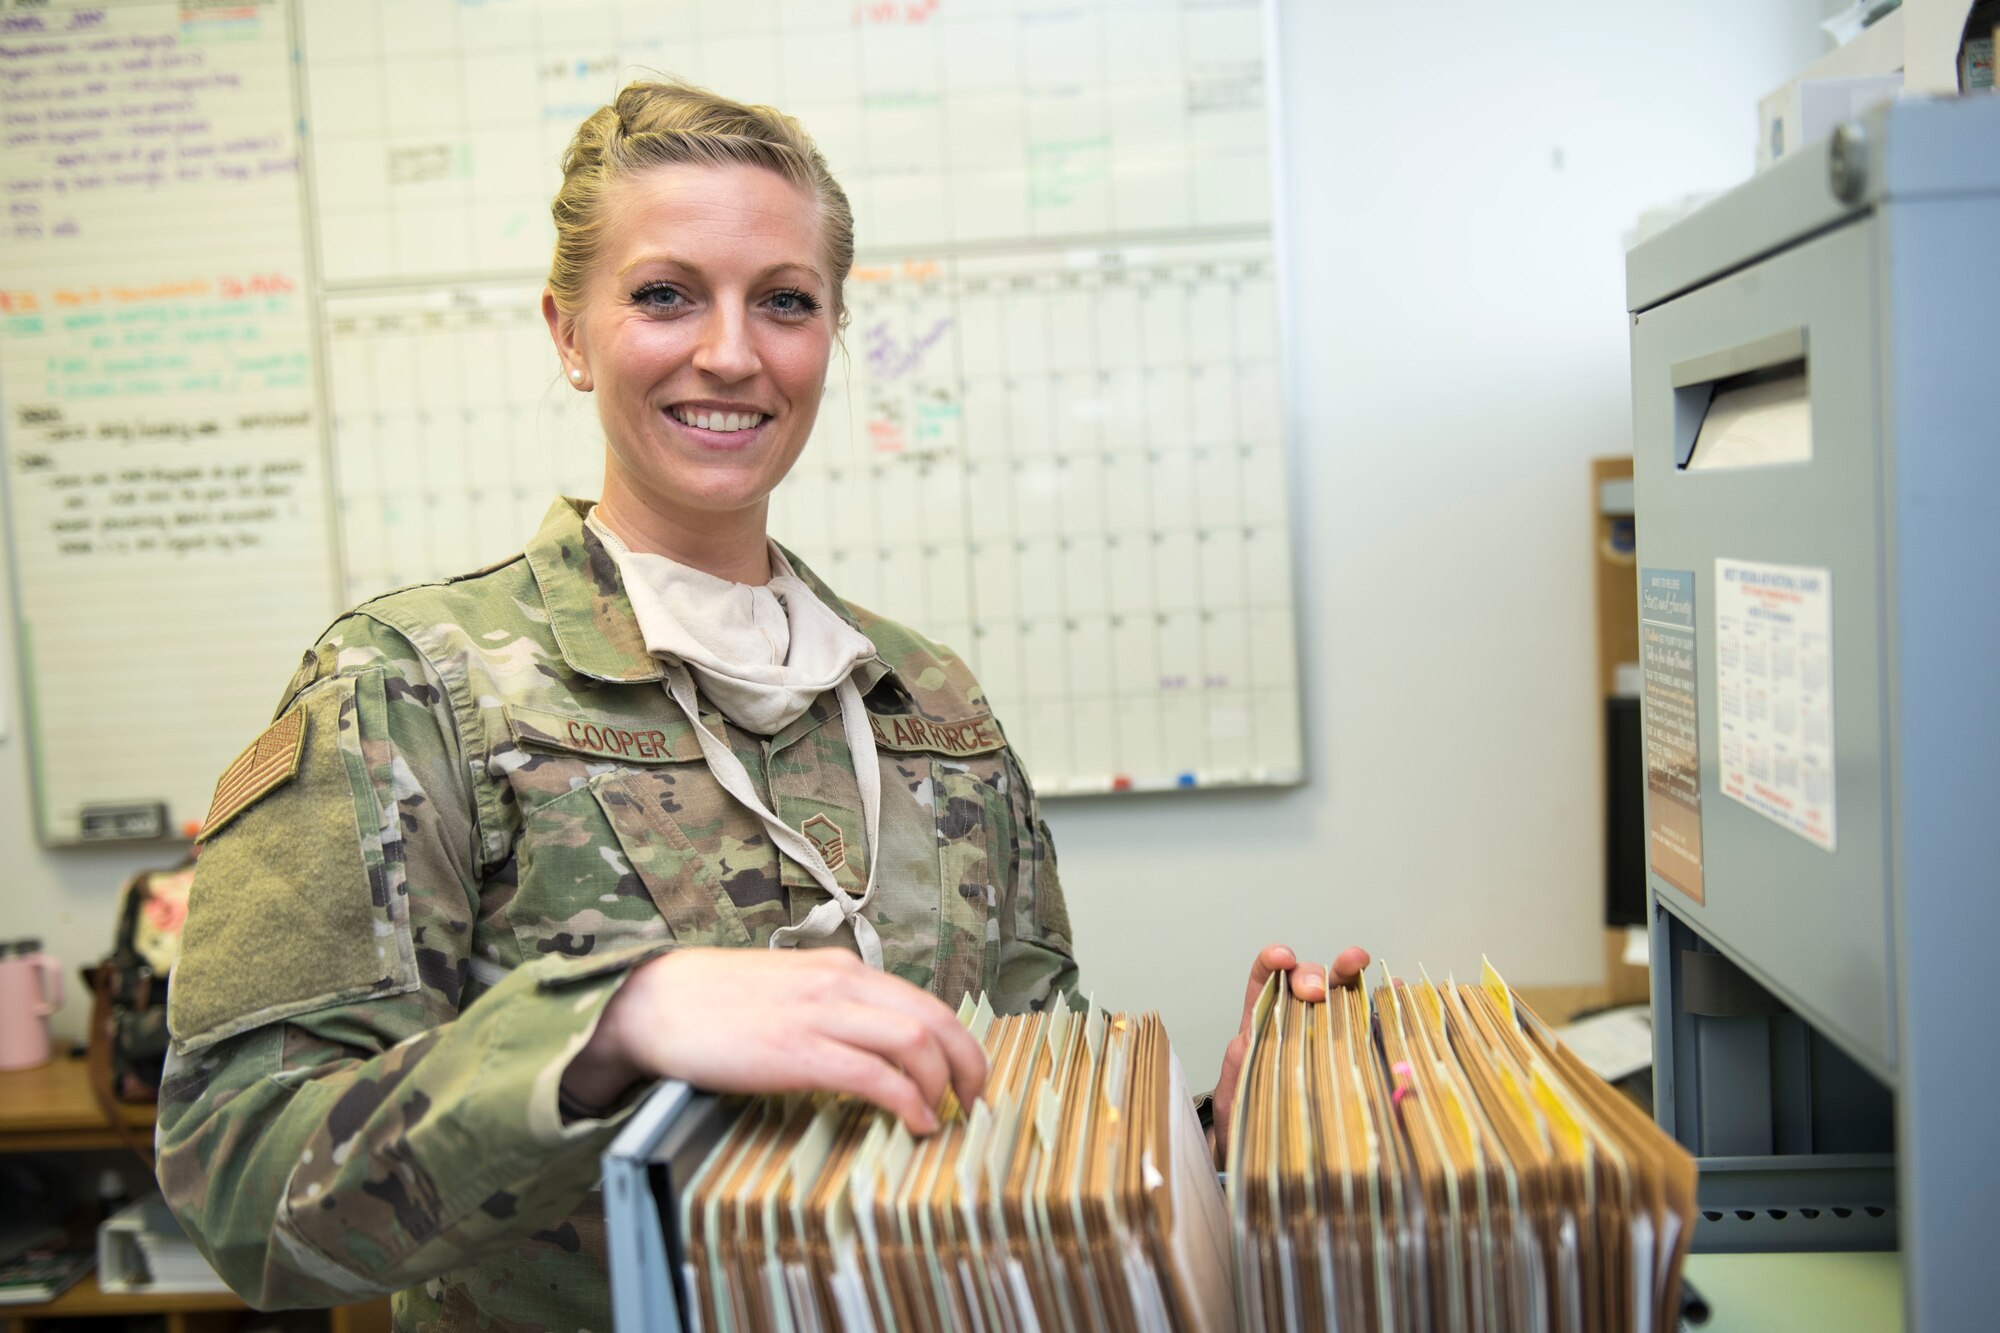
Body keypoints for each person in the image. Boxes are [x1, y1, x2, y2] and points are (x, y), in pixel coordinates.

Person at [158, 80, 1366, 1332]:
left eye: (784, 302)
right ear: (568, 332)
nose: (730, 351)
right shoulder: (404, 686)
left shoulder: (926, 699)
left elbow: (1011, 1098)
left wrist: (1211, 1131)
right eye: (664, 293)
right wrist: (614, 1022)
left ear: (831, 335)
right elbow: (247, 1187)